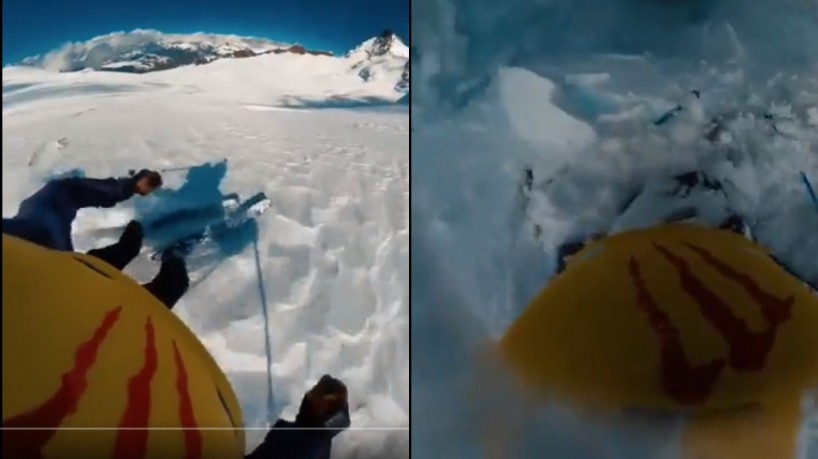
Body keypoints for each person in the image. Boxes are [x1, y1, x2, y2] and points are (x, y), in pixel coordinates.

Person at [2, 169, 190, 309]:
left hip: (45, 257)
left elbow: (57, 197)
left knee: (55, 198)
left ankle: (130, 256)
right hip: (73, 324)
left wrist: (126, 187)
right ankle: (167, 265)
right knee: (172, 285)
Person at [247, 374, 352, 459]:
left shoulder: (291, 439)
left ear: (320, 407)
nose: (307, 396)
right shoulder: (321, 436)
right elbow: (344, 419)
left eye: (313, 394)